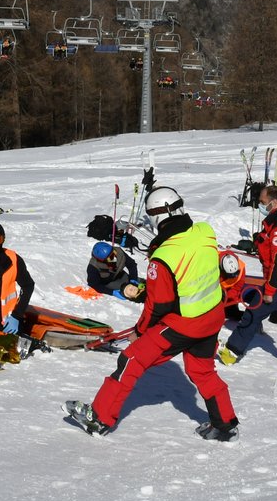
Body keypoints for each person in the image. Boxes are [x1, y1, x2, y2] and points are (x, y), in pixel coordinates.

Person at [66, 186, 239, 441]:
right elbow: (191, 272)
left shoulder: (164, 256)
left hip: (183, 323)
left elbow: (159, 305)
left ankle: (100, 418)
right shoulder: (205, 231)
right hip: (212, 317)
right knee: (202, 371)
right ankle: (224, 423)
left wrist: (140, 331)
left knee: (130, 360)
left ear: (158, 217)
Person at [219, 184, 277, 374]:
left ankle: (231, 351)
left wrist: (270, 291)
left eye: (262, 202)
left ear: (273, 202)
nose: (259, 206)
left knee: (254, 311)